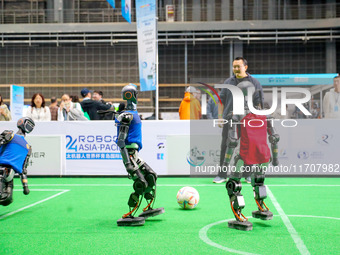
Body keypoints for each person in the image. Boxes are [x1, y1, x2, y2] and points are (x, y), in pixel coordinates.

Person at [116, 84, 164, 226]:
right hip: (129, 154)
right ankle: (130, 214)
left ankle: (148, 207)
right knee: (140, 183)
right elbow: (120, 141)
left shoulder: (132, 113)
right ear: (131, 95)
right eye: (135, 94)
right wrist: (128, 163)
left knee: (151, 176)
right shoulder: (126, 116)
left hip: (135, 154)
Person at [213, 57, 264, 183]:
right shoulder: (228, 82)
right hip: (230, 120)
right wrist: (220, 118)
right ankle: (222, 175)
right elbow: (221, 101)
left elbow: (259, 103)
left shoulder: (255, 83)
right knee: (225, 146)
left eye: (238, 66)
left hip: (249, 121)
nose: (235, 69)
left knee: (249, 148)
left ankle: (247, 174)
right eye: (234, 66)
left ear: (245, 67)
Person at [0, 117, 35, 206]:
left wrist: (25, 186)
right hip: (4, 171)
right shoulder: (11, 135)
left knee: (7, 199)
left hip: (9, 174)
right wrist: (25, 187)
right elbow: (23, 170)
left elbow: (23, 169)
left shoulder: (28, 147)